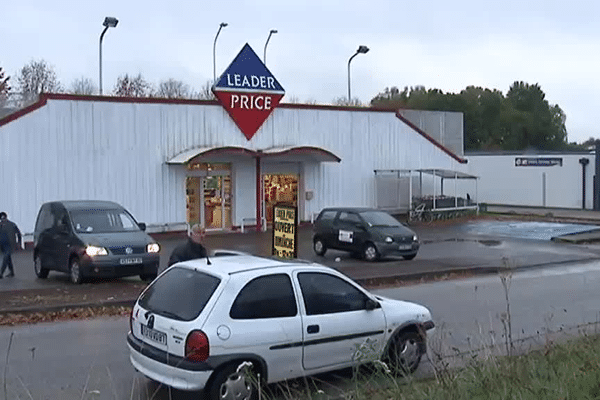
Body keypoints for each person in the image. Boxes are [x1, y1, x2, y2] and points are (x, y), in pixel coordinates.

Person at [0, 212, 22, 278]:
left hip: (8, 244)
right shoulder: (11, 224)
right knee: (8, 258)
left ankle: (1, 273)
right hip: (5, 245)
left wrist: (19, 243)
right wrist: (19, 243)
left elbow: (19, 234)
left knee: (6, 258)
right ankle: (11, 272)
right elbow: (19, 234)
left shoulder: (10, 224)